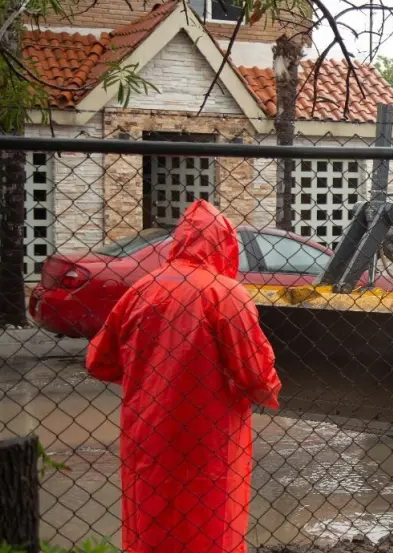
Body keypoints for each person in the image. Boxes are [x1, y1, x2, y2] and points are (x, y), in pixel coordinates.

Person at [85, 199, 281, 553]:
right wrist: (268, 389)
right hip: (212, 435)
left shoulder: (141, 290)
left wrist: (149, 377)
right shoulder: (226, 294)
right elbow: (256, 376)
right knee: (213, 521)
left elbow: (99, 361)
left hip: (148, 427)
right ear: (225, 243)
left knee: (151, 518)